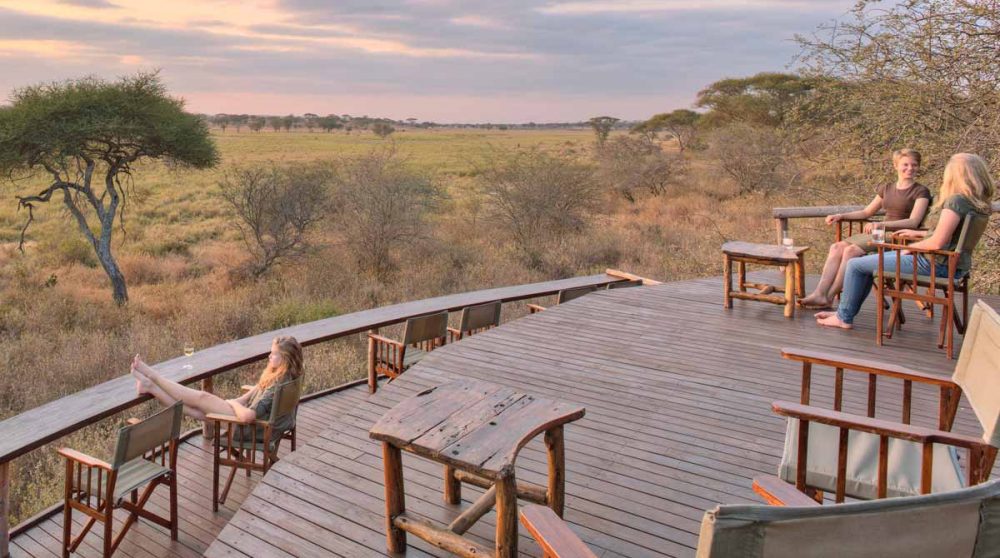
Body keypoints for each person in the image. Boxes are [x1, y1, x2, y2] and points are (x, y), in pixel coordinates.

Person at [817, 153, 995, 329]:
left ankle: (843, 317)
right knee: (864, 264)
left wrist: (909, 248)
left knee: (856, 265)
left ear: (955, 174)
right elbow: (951, 237)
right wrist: (919, 235)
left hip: (934, 264)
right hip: (955, 266)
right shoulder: (979, 203)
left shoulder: (956, 201)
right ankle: (842, 312)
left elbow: (937, 243)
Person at [798, 149, 931, 309]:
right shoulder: (887, 188)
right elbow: (867, 212)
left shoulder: (921, 191)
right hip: (880, 233)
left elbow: (913, 222)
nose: (910, 168)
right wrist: (841, 215)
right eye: (905, 164)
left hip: (900, 236)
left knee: (851, 251)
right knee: (837, 247)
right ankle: (820, 293)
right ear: (895, 165)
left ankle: (830, 296)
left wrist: (883, 225)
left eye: (914, 165)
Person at [131, 335, 304, 428]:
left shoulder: (278, 382)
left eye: (274, 354)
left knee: (201, 398)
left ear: (285, 359)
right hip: (260, 422)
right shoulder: (286, 375)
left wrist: (233, 405)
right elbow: (258, 389)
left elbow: (248, 416)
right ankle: (151, 386)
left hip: (250, 427)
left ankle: (154, 377)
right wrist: (237, 401)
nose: (269, 356)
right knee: (195, 411)